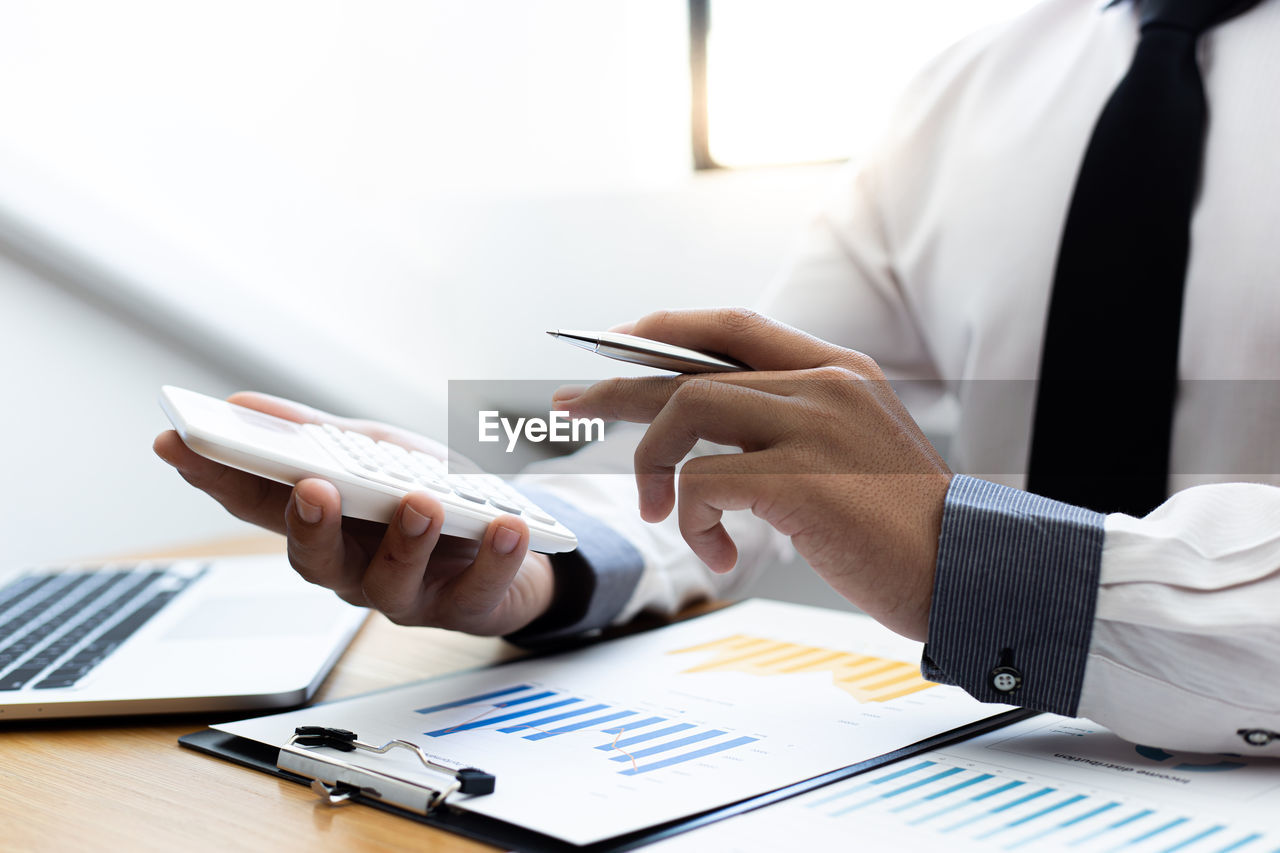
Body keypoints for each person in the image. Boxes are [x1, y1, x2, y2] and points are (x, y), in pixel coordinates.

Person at [154, 0, 1280, 753]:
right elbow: (760, 447)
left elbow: (911, 520)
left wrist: (971, 563)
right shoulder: (964, 92)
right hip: (1009, 782)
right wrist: (534, 554)